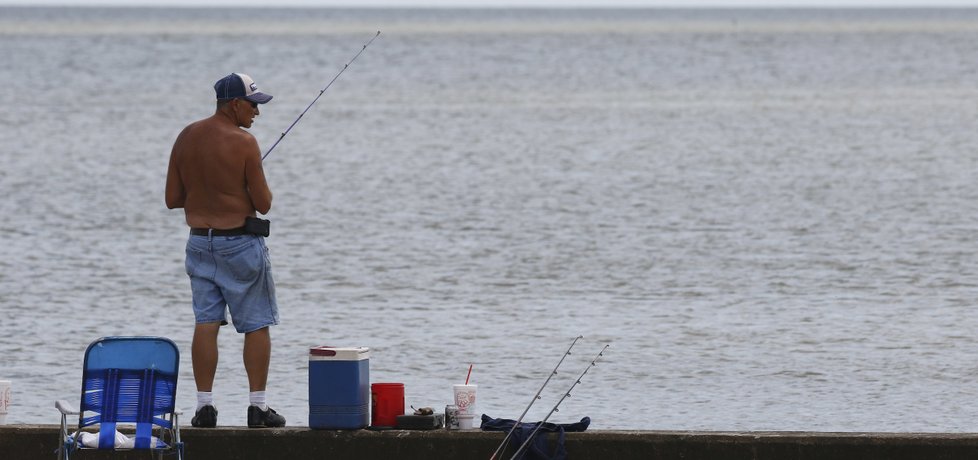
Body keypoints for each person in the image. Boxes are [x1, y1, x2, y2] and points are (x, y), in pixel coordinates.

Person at [165, 73, 286, 428]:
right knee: (258, 323)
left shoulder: (186, 136)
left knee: (206, 322)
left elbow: (172, 199)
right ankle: (258, 408)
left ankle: (204, 408)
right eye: (253, 105)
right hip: (239, 245)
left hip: (200, 243)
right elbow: (264, 204)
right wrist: (239, 192)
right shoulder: (245, 142)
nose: (257, 113)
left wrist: (208, 192)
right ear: (234, 103)